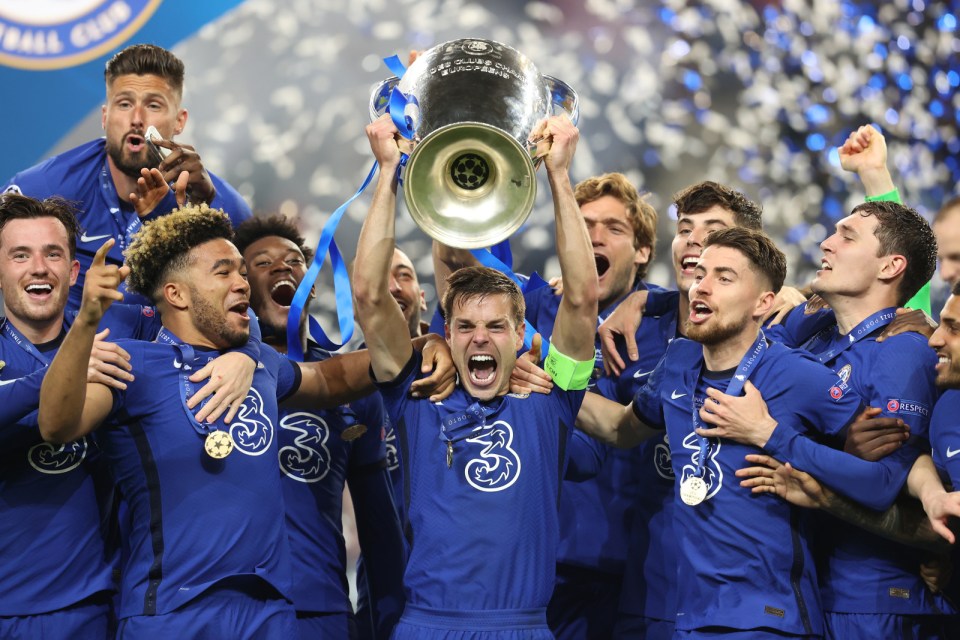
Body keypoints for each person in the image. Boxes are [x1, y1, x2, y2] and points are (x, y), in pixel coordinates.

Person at [36, 204, 452, 638]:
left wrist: (425, 344)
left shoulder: (261, 367)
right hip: (173, 614)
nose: (242, 284)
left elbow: (331, 377)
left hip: (269, 612)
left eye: (240, 272)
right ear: (176, 294)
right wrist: (85, 321)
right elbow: (57, 425)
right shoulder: (133, 364)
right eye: (224, 273)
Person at [354, 112, 600, 638]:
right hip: (428, 626)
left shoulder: (552, 398)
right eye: (464, 326)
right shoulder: (415, 395)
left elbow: (582, 298)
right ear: (448, 330)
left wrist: (559, 175)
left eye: (495, 326)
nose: (480, 338)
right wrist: (386, 173)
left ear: (521, 335)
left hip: (523, 627)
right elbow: (371, 297)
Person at [576, 226, 864, 638]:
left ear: (763, 303)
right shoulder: (679, 359)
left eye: (723, 278)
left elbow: (885, 471)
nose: (701, 288)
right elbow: (621, 429)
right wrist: (551, 382)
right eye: (700, 274)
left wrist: (783, 444)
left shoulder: (798, 375)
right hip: (692, 616)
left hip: (770, 620)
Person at [0, 193, 260, 639]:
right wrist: (57, 373)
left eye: (53, 254)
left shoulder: (121, 326)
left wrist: (249, 355)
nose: (39, 268)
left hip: (95, 605)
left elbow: (215, 307)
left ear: (74, 270)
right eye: (20, 255)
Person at [234, 214, 406, 638]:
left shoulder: (352, 387)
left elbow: (378, 528)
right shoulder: (210, 370)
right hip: (230, 607)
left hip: (320, 609)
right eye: (262, 262)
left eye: (295, 261)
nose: (282, 268)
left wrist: (388, 622)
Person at [3, 43, 251, 313]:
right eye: (124, 104)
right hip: (71, 351)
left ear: (180, 121)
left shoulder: (221, 205)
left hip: (177, 352)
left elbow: (250, 313)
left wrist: (200, 209)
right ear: (105, 116)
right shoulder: (43, 187)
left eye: (153, 105)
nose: (137, 118)